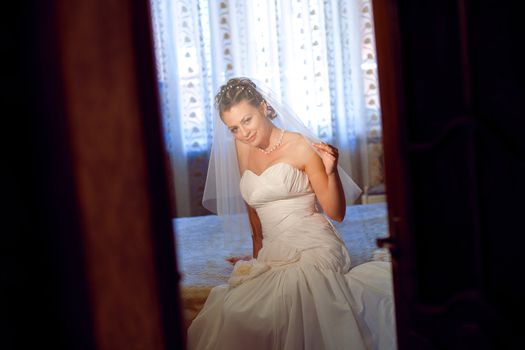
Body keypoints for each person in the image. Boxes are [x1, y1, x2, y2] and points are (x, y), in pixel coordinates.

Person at [188, 77, 396, 350]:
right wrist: (258, 252)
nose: (244, 133)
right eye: (234, 128)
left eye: (247, 120)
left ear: (263, 108)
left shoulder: (299, 146)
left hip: (312, 240)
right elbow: (252, 204)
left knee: (293, 297)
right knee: (237, 310)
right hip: (275, 247)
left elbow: (336, 212)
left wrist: (331, 172)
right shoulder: (242, 146)